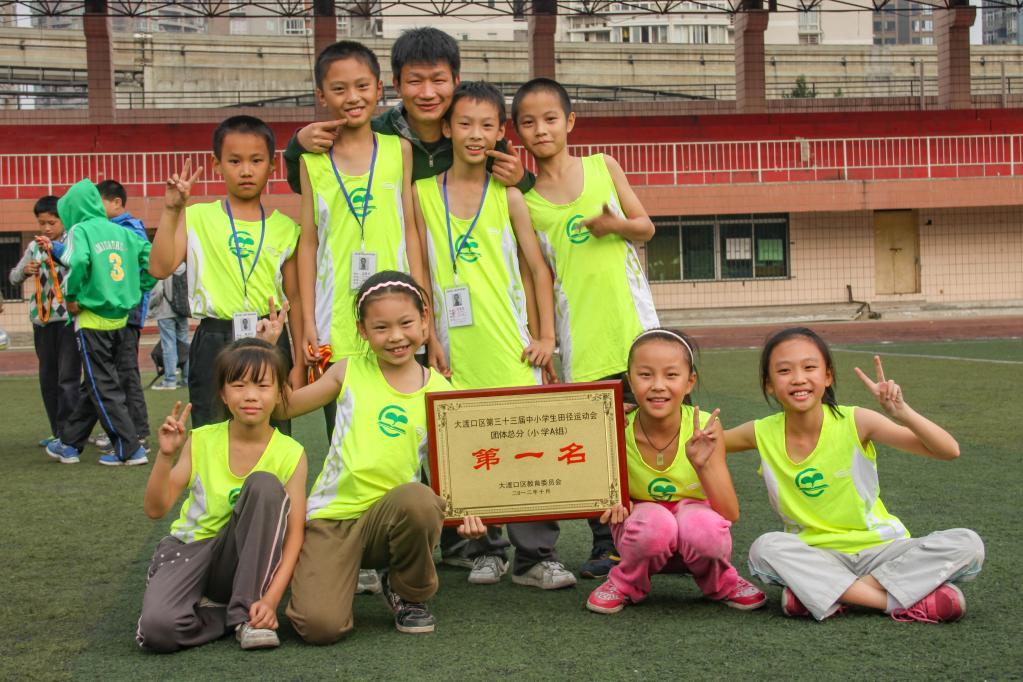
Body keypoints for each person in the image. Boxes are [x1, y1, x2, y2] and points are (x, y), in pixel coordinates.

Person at [262, 271, 484, 643]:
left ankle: (407, 591)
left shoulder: (438, 389)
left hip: (392, 516)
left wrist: (468, 511)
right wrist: (269, 349)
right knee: (319, 627)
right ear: (362, 331)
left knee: (419, 500)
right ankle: (331, 569)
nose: (395, 336)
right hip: (334, 519)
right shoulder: (347, 371)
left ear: (424, 320)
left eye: (406, 323)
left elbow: (452, 464)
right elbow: (284, 408)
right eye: (381, 327)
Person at [414, 81, 573, 591]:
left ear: (500, 132)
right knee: (467, 451)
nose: (475, 134)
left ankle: (535, 557)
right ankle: (485, 549)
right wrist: (430, 337)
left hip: (511, 349)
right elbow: (420, 273)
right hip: (454, 352)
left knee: (527, 449)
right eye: (464, 123)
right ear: (446, 128)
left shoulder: (509, 196)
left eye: (487, 125)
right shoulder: (421, 193)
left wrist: (545, 337)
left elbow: (539, 270)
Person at [725, 327, 985, 623]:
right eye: (784, 371)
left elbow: (948, 450)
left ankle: (828, 594)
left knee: (968, 544)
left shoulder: (857, 421)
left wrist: (902, 412)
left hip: (882, 550)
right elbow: (708, 442)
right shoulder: (760, 432)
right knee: (764, 549)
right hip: (816, 554)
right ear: (769, 384)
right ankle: (891, 602)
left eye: (809, 367)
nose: (798, 378)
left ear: (827, 376)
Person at [512, 77, 660, 579]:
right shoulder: (527, 202)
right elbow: (539, 275)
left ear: (570, 122)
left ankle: (661, 532)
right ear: (518, 133)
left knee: (651, 432)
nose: (541, 129)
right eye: (528, 123)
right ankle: (605, 544)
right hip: (582, 341)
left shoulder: (603, 167)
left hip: (636, 330)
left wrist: (615, 226)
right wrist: (546, 338)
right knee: (597, 448)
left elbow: (646, 227)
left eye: (550, 119)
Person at [136, 339, 308, 652]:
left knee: (265, 485)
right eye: (238, 385)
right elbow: (155, 509)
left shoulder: (291, 453)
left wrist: (271, 601)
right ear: (223, 394)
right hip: (190, 552)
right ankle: (218, 610)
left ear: (281, 393)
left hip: (242, 561)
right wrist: (165, 456)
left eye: (262, 385)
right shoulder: (201, 440)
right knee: (158, 630)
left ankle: (246, 616)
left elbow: (295, 536)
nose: (250, 395)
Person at [586, 329, 766, 614]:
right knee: (656, 523)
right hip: (642, 536)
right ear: (630, 379)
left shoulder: (705, 428)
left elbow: (730, 513)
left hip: (693, 534)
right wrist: (616, 502)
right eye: (645, 375)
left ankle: (721, 582)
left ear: (689, 381)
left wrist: (703, 465)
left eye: (671, 375)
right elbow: (598, 493)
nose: (658, 386)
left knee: (703, 526)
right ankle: (626, 583)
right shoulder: (617, 426)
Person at [148, 115, 304, 433]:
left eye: (256, 160)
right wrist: (172, 210)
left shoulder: (287, 228)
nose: (246, 170)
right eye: (235, 161)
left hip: (270, 336)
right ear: (217, 165)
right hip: (214, 339)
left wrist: (299, 362)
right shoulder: (196, 217)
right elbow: (159, 268)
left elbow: (296, 299)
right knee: (212, 431)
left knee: (273, 432)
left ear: (272, 166)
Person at [295, 40, 419, 398]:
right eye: (339, 89)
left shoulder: (399, 149)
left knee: (400, 421)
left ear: (378, 89)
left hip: (397, 319)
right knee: (341, 425)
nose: (352, 97)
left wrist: (422, 303)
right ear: (321, 96)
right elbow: (309, 243)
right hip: (335, 321)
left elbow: (410, 231)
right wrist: (308, 321)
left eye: (362, 86)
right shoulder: (311, 162)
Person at [284, 27, 528, 193]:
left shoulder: (477, 138)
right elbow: (300, 185)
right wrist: (299, 144)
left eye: (438, 80)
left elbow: (531, 196)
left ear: (456, 82)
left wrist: (521, 179)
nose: (427, 93)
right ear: (397, 85)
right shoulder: (376, 135)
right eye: (415, 81)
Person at [44, 179, 156, 465]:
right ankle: (69, 443)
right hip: (120, 319)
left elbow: (79, 261)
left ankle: (129, 448)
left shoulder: (79, 231)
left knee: (101, 384)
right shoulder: (122, 231)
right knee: (96, 383)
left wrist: (72, 296)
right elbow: (152, 261)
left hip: (92, 320)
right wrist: (136, 288)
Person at [8, 195, 80, 450]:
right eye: (42, 223)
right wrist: (25, 271)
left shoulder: (73, 244)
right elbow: (13, 277)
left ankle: (72, 433)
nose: (46, 228)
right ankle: (57, 431)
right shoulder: (34, 247)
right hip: (42, 321)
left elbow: (81, 270)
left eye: (52, 222)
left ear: (63, 220)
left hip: (68, 320)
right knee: (48, 379)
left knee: (68, 378)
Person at [97, 179, 151, 450]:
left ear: (116, 203)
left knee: (126, 372)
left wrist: (133, 294)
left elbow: (147, 269)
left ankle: (137, 432)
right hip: (111, 311)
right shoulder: (107, 229)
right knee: (112, 372)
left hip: (127, 311)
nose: (95, 209)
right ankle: (120, 429)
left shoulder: (130, 230)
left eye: (99, 203)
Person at [148, 262, 190, 390]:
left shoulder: (164, 267)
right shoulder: (185, 267)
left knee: (169, 345)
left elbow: (158, 291)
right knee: (184, 345)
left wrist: (150, 307)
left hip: (165, 311)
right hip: (182, 310)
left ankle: (170, 380)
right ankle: (187, 378)